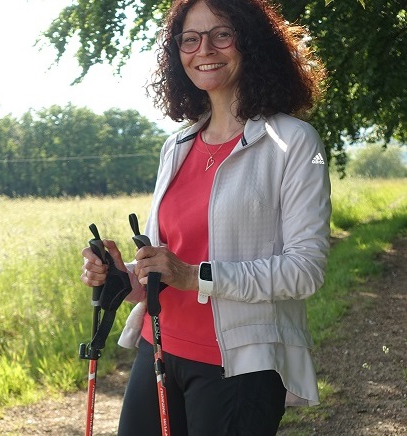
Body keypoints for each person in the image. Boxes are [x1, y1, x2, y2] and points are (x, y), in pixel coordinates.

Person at [81, 0, 331, 434]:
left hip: (238, 366)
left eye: (222, 34)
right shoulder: (176, 145)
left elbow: (305, 271)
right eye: (190, 39)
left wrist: (196, 276)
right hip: (157, 347)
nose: (205, 50)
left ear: (250, 43)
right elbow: (167, 268)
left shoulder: (294, 142)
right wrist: (125, 277)